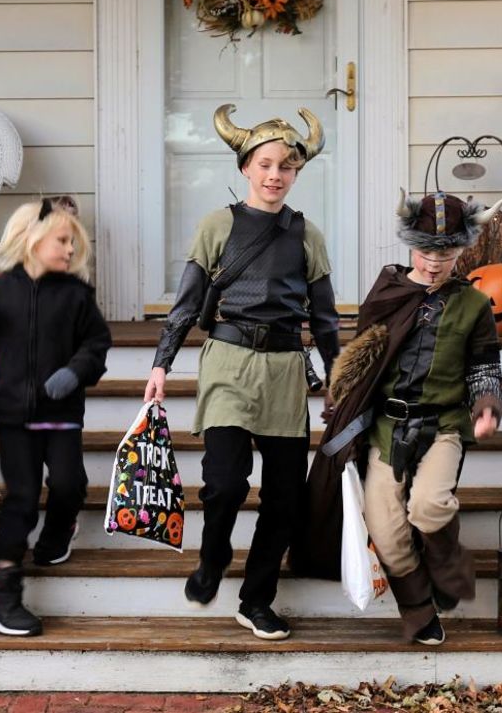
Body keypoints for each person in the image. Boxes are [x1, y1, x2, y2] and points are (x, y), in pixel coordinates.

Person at [143, 104, 340, 641]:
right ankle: (213, 556)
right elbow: (184, 305)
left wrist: (338, 379)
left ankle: (256, 599)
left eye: (287, 167)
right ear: (246, 168)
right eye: (266, 164)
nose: (276, 175)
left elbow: (323, 319)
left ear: (297, 172)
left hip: (284, 371)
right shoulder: (217, 226)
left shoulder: (307, 236)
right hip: (228, 362)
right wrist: (161, 364)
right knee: (225, 485)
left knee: (284, 497)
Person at [310, 190, 502, 645]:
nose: (435, 263)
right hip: (387, 426)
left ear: (462, 250)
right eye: (425, 251)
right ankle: (419, 610)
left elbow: (484, 364)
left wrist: (486, 405)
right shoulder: (388, 292)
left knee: (429, 505)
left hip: (443, 426)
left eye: (447, 253)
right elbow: (363, 356)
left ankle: (448, 572)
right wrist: (342, 398)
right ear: (409, 246)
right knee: (386, 529)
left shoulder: (474, 305)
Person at [0, 196, 112, 636]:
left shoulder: (77, 296)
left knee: (68, 483)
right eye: (62, 240)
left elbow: (96, 346)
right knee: (22, 499)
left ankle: (58, 533)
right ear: (32, 238)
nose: (69, 250)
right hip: (14, 415)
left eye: (72, 243)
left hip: (60, 412)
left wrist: (75, 371)